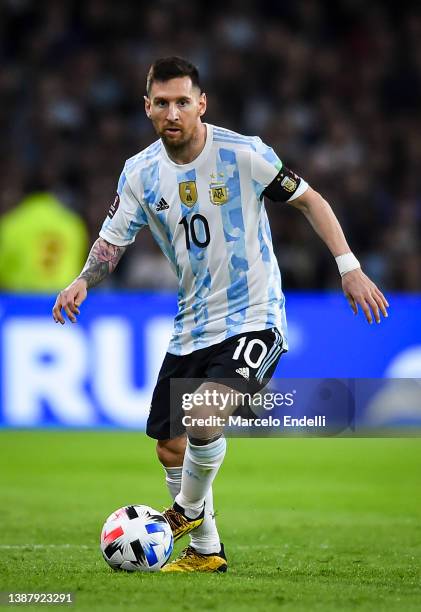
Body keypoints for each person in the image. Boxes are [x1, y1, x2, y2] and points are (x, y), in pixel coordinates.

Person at [52, 56, 389, 573]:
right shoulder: (140, 173)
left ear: (201, 104)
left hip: (254, 315)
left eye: (183, 102)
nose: (172, 112)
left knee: (204, 413)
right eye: (161, 103)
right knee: (170, 446)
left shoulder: (245, 155)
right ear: (147, 108)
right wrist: (81, 279)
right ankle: (207, 551)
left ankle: (182, 513)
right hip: (191, 326)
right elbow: (111, 242)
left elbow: (311, 201)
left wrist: (349, 268)